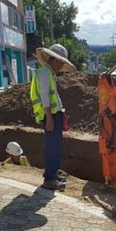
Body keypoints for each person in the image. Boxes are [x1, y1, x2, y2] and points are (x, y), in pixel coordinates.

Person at [30, 44, 76, 190]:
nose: (61, 66)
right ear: (54, 60)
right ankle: (49, 179)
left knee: (55, 147)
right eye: (61, 63)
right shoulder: (44, 73)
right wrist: (49, 117)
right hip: (50, 116)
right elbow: (45, 96)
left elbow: (52, 96)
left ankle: (53, 175)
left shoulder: (49, 73)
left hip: (55, 115)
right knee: (52, 147)